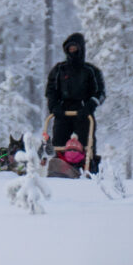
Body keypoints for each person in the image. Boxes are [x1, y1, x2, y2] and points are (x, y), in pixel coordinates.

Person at [45, 32, 105, 172]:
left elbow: (100, 92)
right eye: (69, 48)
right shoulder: (59, 70)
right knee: (58, 142)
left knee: (87, 144)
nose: (72, 51)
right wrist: (54, 107)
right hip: (63, 110)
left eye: (75, 48)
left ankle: (88, 169)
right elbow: (51, 91)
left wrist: (90, 105)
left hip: (83, 111)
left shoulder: (91, 71)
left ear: (81, 49)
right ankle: (59, 169)